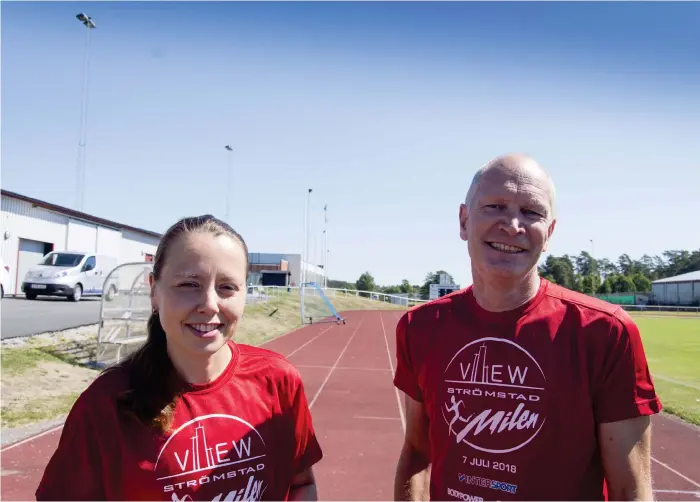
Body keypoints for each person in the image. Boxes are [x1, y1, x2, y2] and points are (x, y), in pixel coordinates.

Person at [392, 154, 661, 501]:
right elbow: (417, 452)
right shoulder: (420, 326)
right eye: (495, 206)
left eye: (531, 212)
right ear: (463, 220)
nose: (513, 225)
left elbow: (630, 490)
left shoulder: (605, 332)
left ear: (548, 233)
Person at [36, 215, 323, 501]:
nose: (210, 304)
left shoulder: (278, 381)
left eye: (227, 287)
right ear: (154, 292)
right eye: (189, 284)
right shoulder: (106, 405)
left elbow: (301, 484)